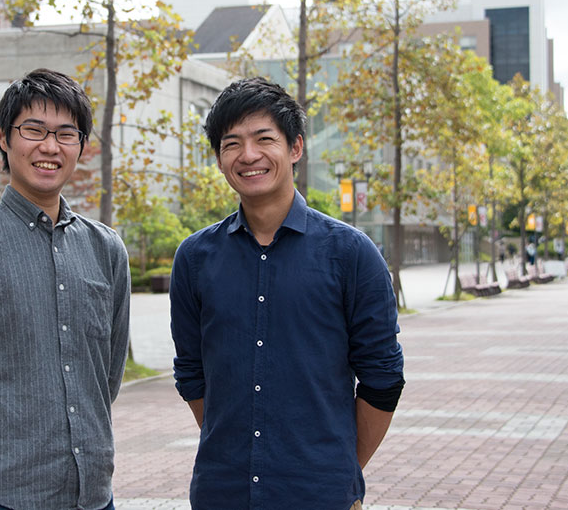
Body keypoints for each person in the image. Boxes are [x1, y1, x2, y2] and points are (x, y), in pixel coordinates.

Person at [169, 78, 405, 510]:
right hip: (222, 494)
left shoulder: (351, 254)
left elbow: (383, 378)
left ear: (295, 148)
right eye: (232, 143)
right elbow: (190, 373)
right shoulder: (195, 257)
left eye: (264, 139)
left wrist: (337, 468)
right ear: (220, 158)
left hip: (321, 495)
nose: (249, 155)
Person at [0, 68, 131, 510]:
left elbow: (105, 376)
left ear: (82, 147)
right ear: (3, 137)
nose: (50, 147)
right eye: (33, 130)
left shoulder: (106, 248)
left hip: (91, 494)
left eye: (66, 134)